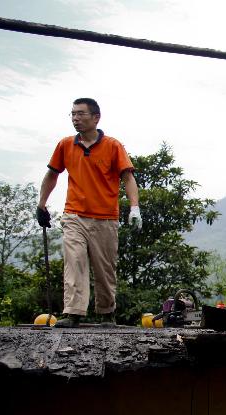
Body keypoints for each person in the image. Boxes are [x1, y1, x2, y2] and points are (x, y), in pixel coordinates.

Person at [36, 98, 141, 328]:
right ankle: (73, 312)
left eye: (81, 114)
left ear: (96, 117)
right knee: (74, 262)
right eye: (72, 114)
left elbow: (128, 178)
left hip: (105, 218)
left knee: (105, 269)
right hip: (74, 215)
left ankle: (106, 313)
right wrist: (41, 204)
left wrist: (134, 208)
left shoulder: (113, 146)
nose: (75, 119)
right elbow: (52, 175)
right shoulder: (65, 145)